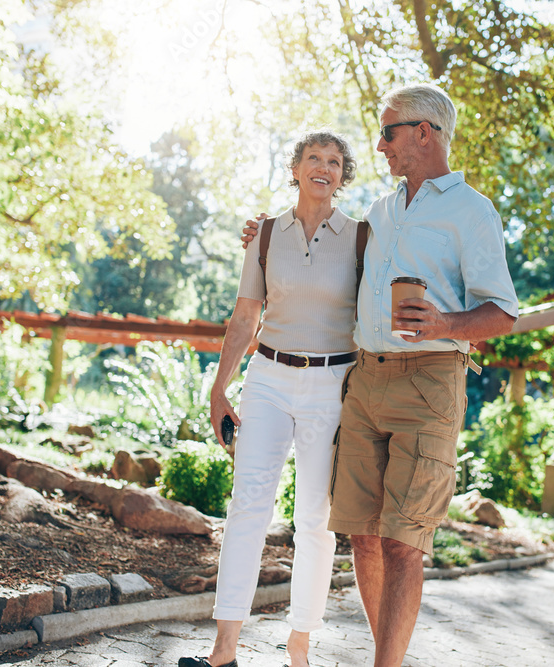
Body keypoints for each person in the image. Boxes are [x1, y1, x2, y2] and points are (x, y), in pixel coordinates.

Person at [243, 83, 519, 667]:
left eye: (389, 131)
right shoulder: (381, 211)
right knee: (362, 534)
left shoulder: (472, 210)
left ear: (425, 133)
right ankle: (382, 656)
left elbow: (503, 312)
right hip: (363, 381)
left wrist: (447, 321)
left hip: (429, 381)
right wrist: (264, 236)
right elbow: (323, 245)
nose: (379, 143)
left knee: (403, 540)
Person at [179, 130, 361, 667]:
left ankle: (299, 651)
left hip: (332, 384)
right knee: (246, 509)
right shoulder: (265, 236)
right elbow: (244, 317)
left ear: (342, 175)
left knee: (314, 519)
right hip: (268, 377)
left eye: (334, 161)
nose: (323, 168)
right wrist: (219, 387)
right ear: (296, 168)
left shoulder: (362, 237)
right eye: (313, 158)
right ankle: (224, 653)